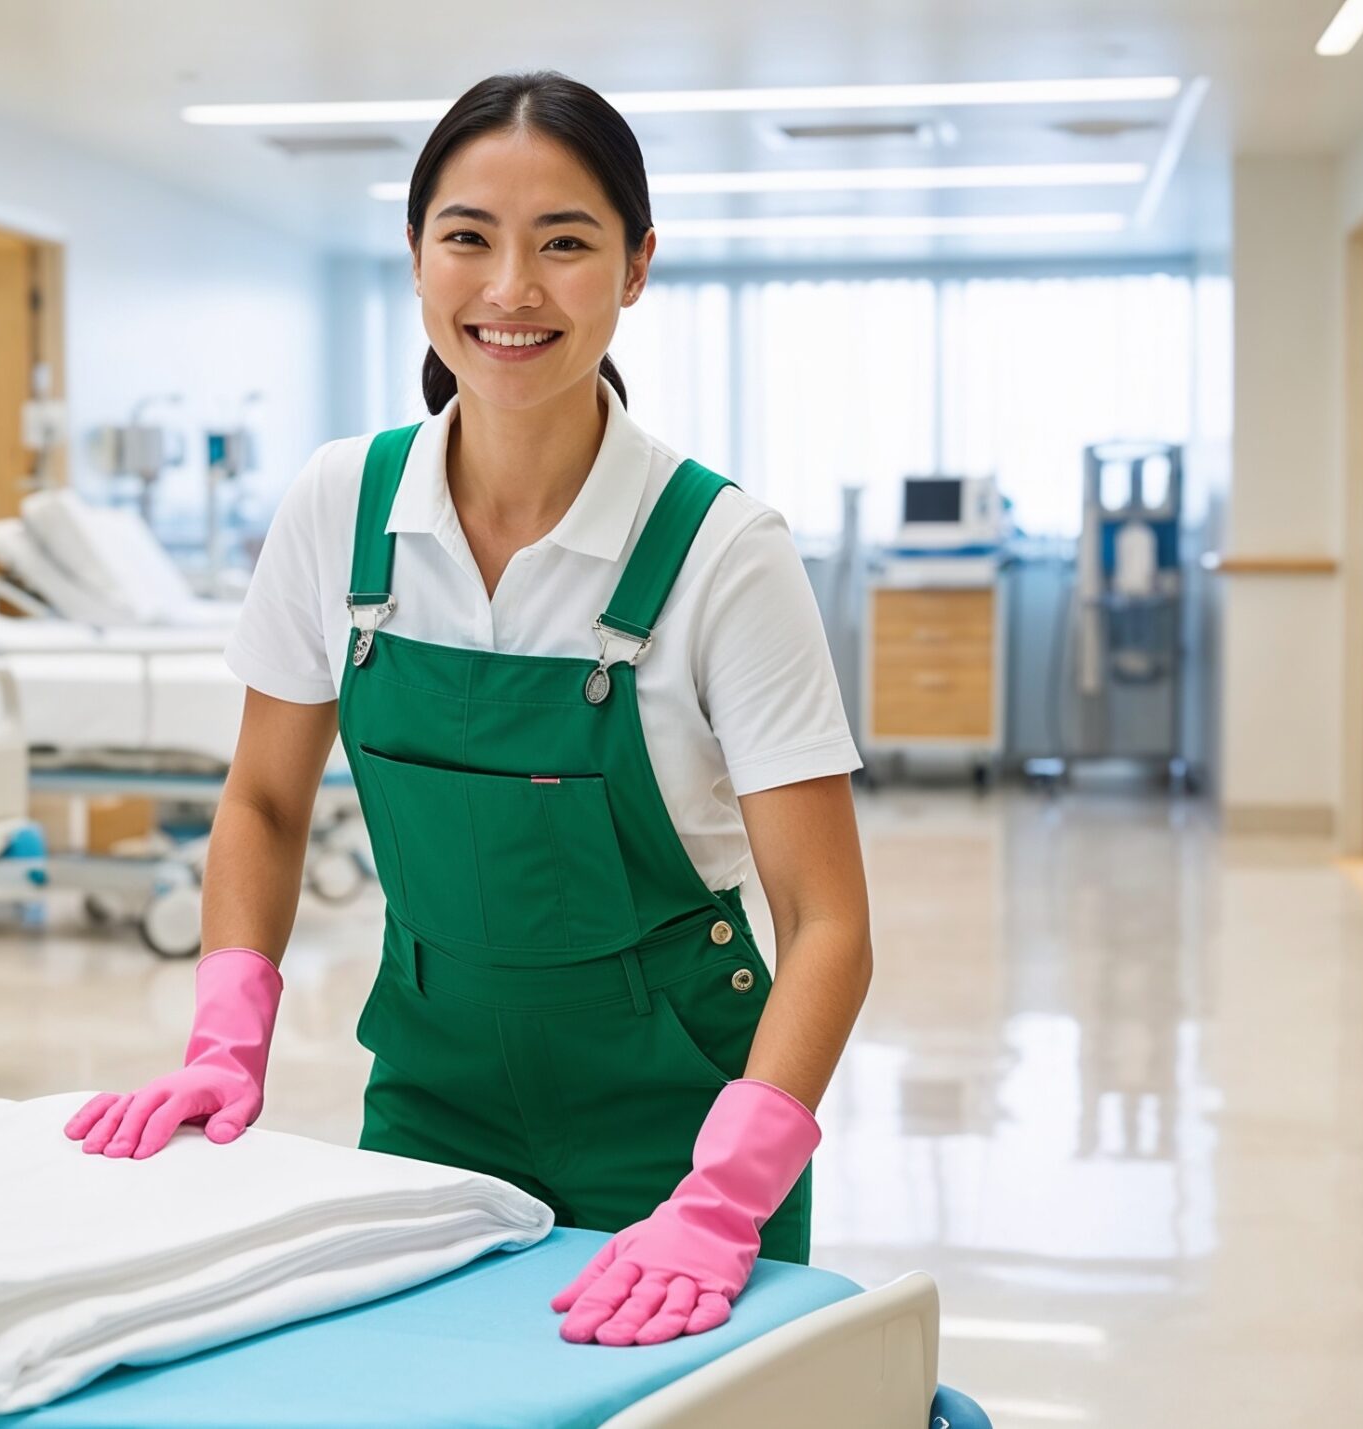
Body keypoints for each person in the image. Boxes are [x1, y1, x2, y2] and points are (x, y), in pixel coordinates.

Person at [65, 70, 873, 1350]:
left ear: (638, 265)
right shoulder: (340, 506)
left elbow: (826, 920)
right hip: (434, 1095)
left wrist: (722, 1198)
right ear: (415, 255)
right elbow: (267, 802)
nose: (511, 289)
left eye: (565, 242)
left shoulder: (724, 551)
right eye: (468, 238)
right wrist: (227, 1038)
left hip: (681, 1112)